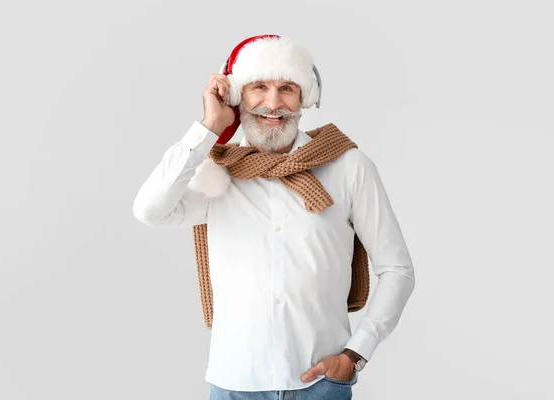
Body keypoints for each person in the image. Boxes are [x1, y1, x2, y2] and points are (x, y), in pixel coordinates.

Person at [132, 34, 416, 400]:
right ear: (237, 97)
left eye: (286, 88)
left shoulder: (349, 167)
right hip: (234, 383)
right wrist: (209, 128)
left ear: (305, 98)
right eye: (258, 87)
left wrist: (355, 354)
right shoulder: (216, 174)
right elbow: (150, 211)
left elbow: (397, 269)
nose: (272, 103)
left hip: (321, 384)